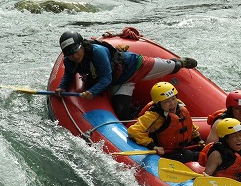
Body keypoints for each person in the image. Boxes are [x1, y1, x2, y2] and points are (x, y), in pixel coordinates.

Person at [55, 30, 197, 120]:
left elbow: (106, 78)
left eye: (76, 50)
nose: (74, 55)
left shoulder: (97, 52)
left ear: (82, 45)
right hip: (120, 82)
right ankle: (141, 115)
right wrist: (61, 87)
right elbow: (68, 74)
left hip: (135, 66)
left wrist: (92, 92)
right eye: (69, 53)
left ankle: (180, 62)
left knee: (173, 67)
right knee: (122, 113)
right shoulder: (69, 60)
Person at [127, 81, 204, 163]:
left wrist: (198, 139)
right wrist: (153, 146)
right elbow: (133, 131)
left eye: (174, 99)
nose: (172, 104)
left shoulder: (180, 108)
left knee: (205, 150)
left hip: (181, 147)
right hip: (165, 152)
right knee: (188, 155)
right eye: (167, 101)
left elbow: (189, 126)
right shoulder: (153, 116)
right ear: (159, 104)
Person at [205, 90, 241, 160]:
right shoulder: (220, 124)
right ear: (230, 110)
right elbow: (209, 149)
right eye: (238, 108)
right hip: (226, 160)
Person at [199, 118, 241, 183]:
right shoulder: (217, 154)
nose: (239, 139)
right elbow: (205, 177)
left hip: (234, 183)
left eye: (240, 135)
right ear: (225, 139)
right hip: (218, 185)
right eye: (235, 136)